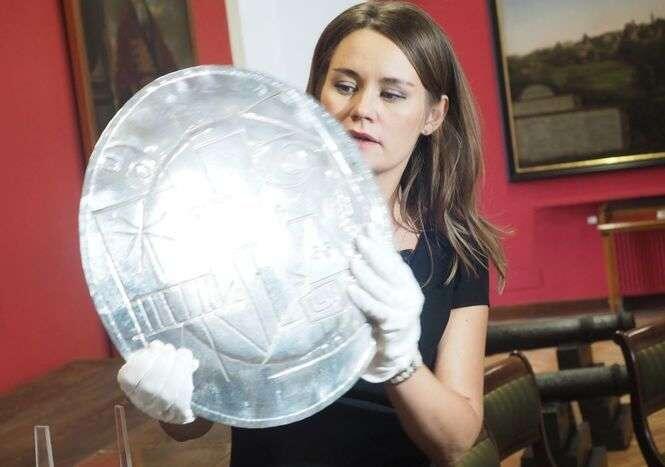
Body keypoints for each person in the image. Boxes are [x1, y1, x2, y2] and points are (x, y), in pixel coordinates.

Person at [117, 1, 506, 466]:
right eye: (345, 86)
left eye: (392, 94)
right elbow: (194, 422)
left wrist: (400, 362)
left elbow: (457, 440)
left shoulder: (458, 252)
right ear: (316, 95)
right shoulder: (248, 230)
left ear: (433, 115)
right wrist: (170, 400)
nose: (362, 109)